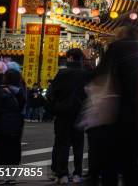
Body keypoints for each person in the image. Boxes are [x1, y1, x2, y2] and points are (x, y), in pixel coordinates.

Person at [87, 26, 138, 186]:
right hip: (135, 116)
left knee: (110, 164)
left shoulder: (115, 49)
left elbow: (99, 77)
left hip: (113, 115)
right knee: (131, 164)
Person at [48, 48, 89, 184]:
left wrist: (55, 108)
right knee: (78, 144)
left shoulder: (62, 73)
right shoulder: (86, 74)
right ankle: (77, 173)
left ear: (70, 58)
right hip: (80, 113)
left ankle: (63, 174)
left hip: (63, 113)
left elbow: (52, 94)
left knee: (62, 144)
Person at [0, 69, 26, 165]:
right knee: (14, 147)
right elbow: (22, 107)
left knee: (0, 148)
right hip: (16, 124)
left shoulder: (0, 91)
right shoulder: (21, 92)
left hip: (1, 124)